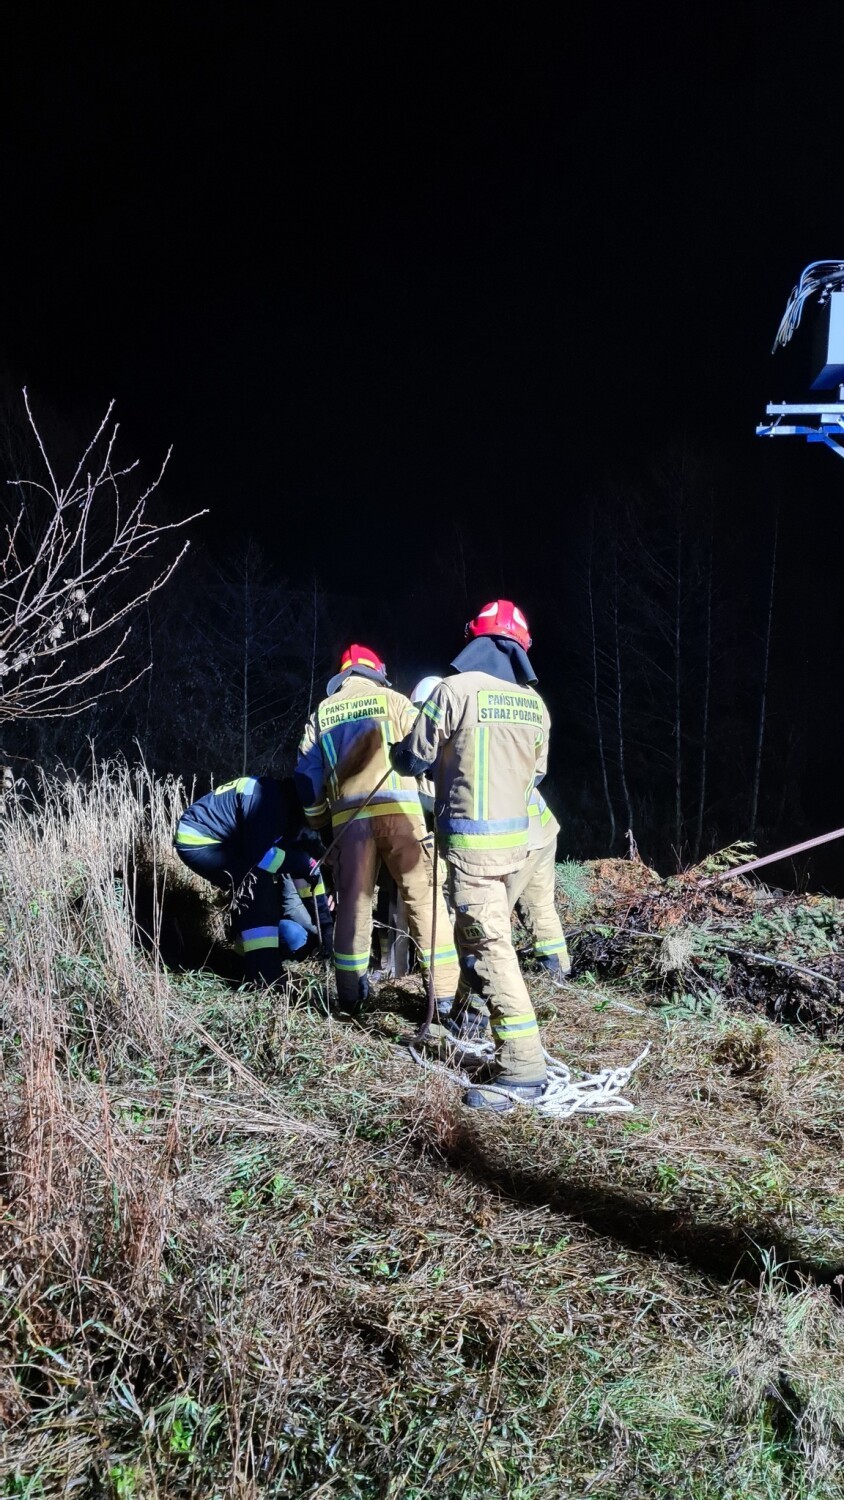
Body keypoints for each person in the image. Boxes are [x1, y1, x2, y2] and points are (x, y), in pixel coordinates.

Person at [390, 601, 551, 1111]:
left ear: (476, 641)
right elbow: (538, 775)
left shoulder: (453, 691)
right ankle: (467, 1015)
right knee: (481, 937)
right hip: (517, 850)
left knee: (488, 948)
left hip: (472, 855)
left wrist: (404, 754)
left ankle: (523, 1066)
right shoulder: (536, 705)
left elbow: (414, 756)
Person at [294, 643, 460, 1016]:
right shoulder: (395, 700)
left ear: (343, 677)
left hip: (349, 824)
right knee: (424, 897)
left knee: (353, 906)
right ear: (375, 673)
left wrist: (321, 817)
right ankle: (446, 995)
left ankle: (351, 997)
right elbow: (426, 750)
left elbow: (306, 777)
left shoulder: (322, 713)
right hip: (401, 814)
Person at [174, 775, 320, 985]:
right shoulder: (270, 802)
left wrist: (322, 923)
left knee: (254, 889)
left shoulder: (277, 798)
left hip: (217, 839)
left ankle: (241, 962)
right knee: (256, 885)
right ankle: (265, 977)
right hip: (200, 840)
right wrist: (301, 863)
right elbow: (261, 857)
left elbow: (298, 878)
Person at [507, 787, 571, 979]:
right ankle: (559, 973)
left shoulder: (448, 764)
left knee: (490, 915)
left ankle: (498, 981)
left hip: (512, 843)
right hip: (542, 830)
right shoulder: (513, 755)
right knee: (540, 906)